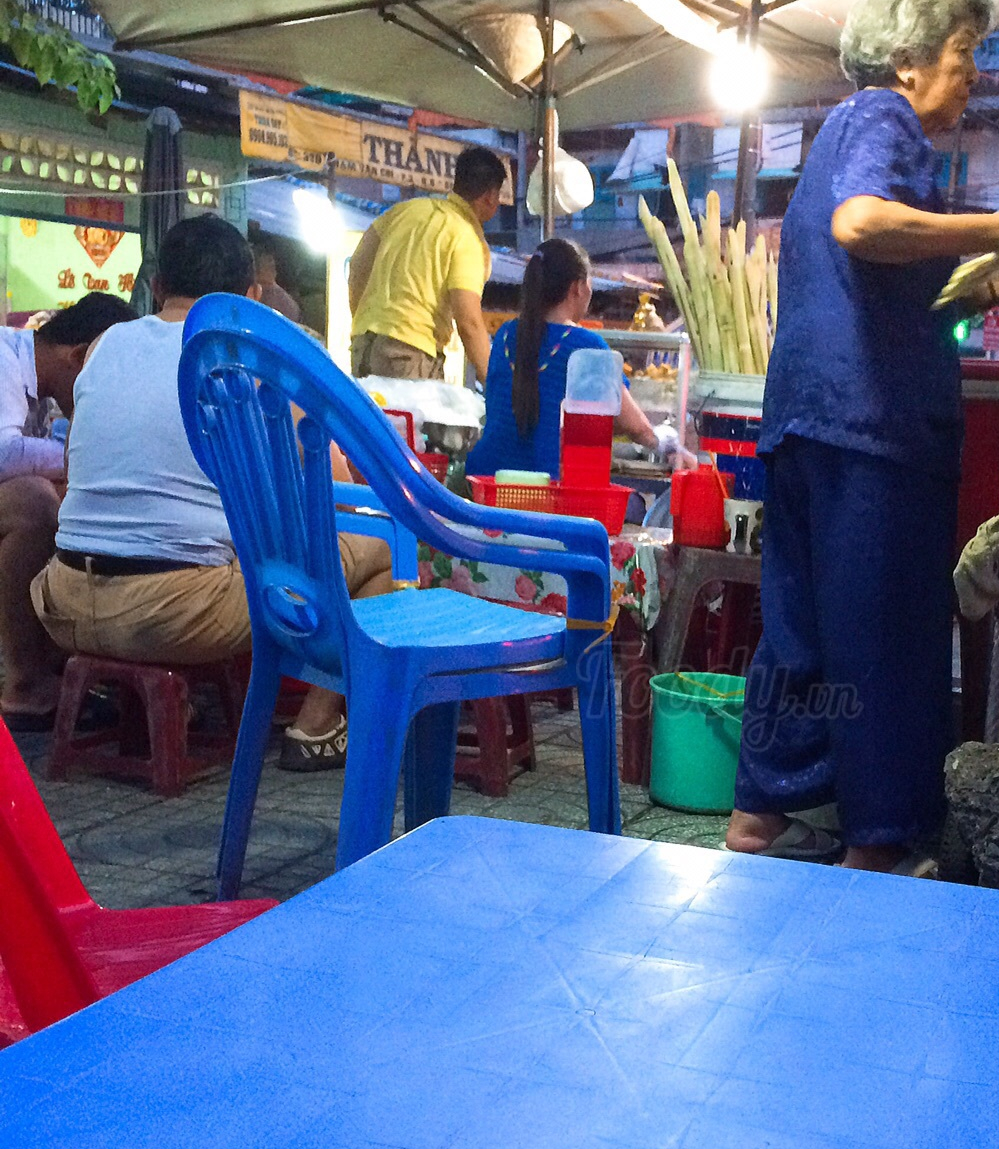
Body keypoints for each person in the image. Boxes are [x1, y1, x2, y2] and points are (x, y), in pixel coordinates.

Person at [725, 0, 999, 872]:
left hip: (810, 420)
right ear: (907, 60)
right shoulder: (881, 120)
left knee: (803, 627)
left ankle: (759, 816)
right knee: (885, 633)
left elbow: (927, 293)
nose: (972, 75)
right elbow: (860, 226)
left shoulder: (845, 134)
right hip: (872, 429)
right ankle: (878, 842)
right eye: (963, 53)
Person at [31, 215, 393, 772]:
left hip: (63, 601)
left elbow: (84, 460)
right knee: (382, 548)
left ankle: (158, 705)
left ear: (156, 286)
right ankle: (316, 724)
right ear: (252, 296)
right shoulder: (252, 360)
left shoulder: (105, 343)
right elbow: (338, 497)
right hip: (175, 615)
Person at [0, 293, 138, 728]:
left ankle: (55, 660)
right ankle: (26, 684)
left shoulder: (38, 385)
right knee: (35, 505)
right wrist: (81, 455)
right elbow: (3, 454)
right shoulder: (3, 359)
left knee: (65, 499)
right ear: (78, 357)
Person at [468, 237, 680, 477]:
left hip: (488, 479)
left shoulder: (505, 335)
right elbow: (636, 428)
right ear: (578, 287)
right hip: (545, 486)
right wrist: (666, 441)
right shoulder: (586, 346)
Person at [348, 146, 507, 384]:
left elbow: (357, 266)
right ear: (490, 196)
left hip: (364, 348)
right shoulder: (466, 238)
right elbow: (469, 323)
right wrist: (494, 385)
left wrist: (366, 321)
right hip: (410, 356)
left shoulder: (404, 211)